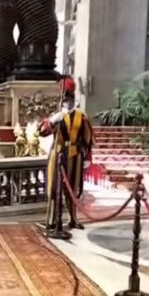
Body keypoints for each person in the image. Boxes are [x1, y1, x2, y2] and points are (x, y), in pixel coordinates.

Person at [41, 92, 94, 230]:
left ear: (74, 101)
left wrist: (87, 157)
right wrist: (51, 122)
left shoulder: (81, 116)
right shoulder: (57, 116)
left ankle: (73, 218)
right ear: (62, 102)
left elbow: (88, 138)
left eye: (70, 100)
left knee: (73, 187)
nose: (68, 103)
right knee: (55, 187)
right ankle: (53, 219)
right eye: (65, 100)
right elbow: (42, 132)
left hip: (75, 155)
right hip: (58, 153)